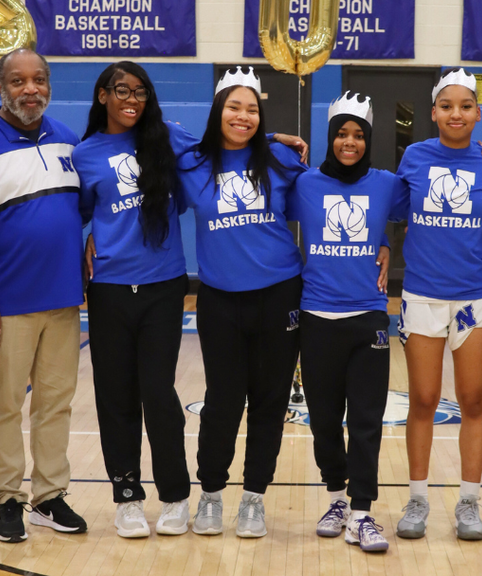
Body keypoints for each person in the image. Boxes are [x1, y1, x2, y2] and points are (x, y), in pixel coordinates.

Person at [0, 48, 87, 542]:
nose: (31, 89)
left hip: (65, 301)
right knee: (6, 404)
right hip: (6, 305)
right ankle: (9, 498)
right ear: (0, 88)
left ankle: (49, 497)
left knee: (56, 403)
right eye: (19, 81)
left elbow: (91, 209)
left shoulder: (70, 141)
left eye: (40, 79)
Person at [177, 67, 307, 538]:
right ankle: (210, 493)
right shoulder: (192, 162)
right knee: (223, 401)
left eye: (253, 109)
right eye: (234, 106)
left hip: (279, 294)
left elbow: (324, 195)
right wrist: (269, 132)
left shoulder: (281, 160)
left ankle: (254, 498)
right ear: (217, 110)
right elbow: (158, 128)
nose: (244, 116)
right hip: (219, 299)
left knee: (270, 402)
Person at [73, 62, 196, 538]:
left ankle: (175, 496)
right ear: (102, 95)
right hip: (108, 288)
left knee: (158, 394)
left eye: (140, 91)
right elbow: (78, 213)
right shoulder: (85, 153)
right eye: (121, 89)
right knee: (116, 396)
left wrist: (278, 140)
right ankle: (126, 497)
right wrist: (88, 237)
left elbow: (225, 145)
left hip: (163, 285)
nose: (132, 98)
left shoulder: (168, 137)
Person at [393, 69, 482, 541]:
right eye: (447, 106)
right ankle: (417, 499)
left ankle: (469, 503)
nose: (456, 113)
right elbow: (388, 209)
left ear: (477, 113)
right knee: (422, 400)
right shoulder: (414, 158)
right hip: (421, 294)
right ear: (434, 112)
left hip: (473, 298)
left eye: (465, 106)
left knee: (474, 400)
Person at [291, 92, 397, 552]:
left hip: (368, 316)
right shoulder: (304, 184)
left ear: (368, 140)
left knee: (368, 420)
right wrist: (276, 136)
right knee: (326, 421)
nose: (349, 142)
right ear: (330, 138)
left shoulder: (388, 183)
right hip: (316, 315)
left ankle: (362, 512)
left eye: (358, 135)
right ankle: (335, 499)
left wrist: (390, 244)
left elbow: (433, 212)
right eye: (341, 134)